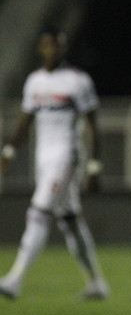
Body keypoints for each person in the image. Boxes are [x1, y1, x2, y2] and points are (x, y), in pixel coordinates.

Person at [0, 28, 110, 300]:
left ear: (63, 49)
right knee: (69, 220)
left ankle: (15, 280)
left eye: (56, 46)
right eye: (47, 46)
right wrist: (10, 150)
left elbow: (93, 126)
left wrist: (94, 166)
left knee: (38, 211)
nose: (51, 51)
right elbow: (26, 119)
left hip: (66, 155)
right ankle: (97, 284)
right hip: (44, 157)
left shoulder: (77, 81)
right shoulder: (34, 81)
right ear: (41, 48)